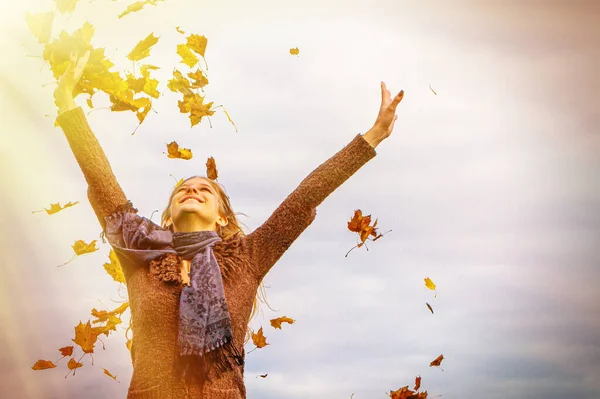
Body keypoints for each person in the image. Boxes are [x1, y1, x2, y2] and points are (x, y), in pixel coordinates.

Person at [54, 50, 404, 399]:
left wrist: (372, 137)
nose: (192, 189)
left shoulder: (248, 258)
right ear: (168, 215)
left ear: (222, 216)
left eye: (204, 188)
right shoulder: (139, 253)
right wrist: (66, 103)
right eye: (182, 189)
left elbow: (303, 201)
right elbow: (102, 183)